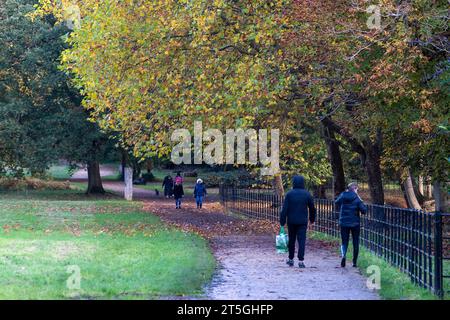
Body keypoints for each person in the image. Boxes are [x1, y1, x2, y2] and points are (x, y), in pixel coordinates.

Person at [280, 175, 316, 268]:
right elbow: (312, 208)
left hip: (291, 221)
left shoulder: (289, 194)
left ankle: (291, 259)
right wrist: (312, 219)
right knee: (302, 240)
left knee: (291, 240)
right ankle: (301, 260)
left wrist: (282, 221)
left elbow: (284, 209)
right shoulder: (307, 194)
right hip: (302, 221)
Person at [335, 182, 367, 268]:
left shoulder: (343, 195)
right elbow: (364, 211)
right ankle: (354, 262)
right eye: (357, 189)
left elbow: (336, 202)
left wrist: (343, 195)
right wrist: (360, 200)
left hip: (344, 222)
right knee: (355, 242)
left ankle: (343, 255)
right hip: (355, 223)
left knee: (344, 241)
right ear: (355, 189)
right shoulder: (357, 199)